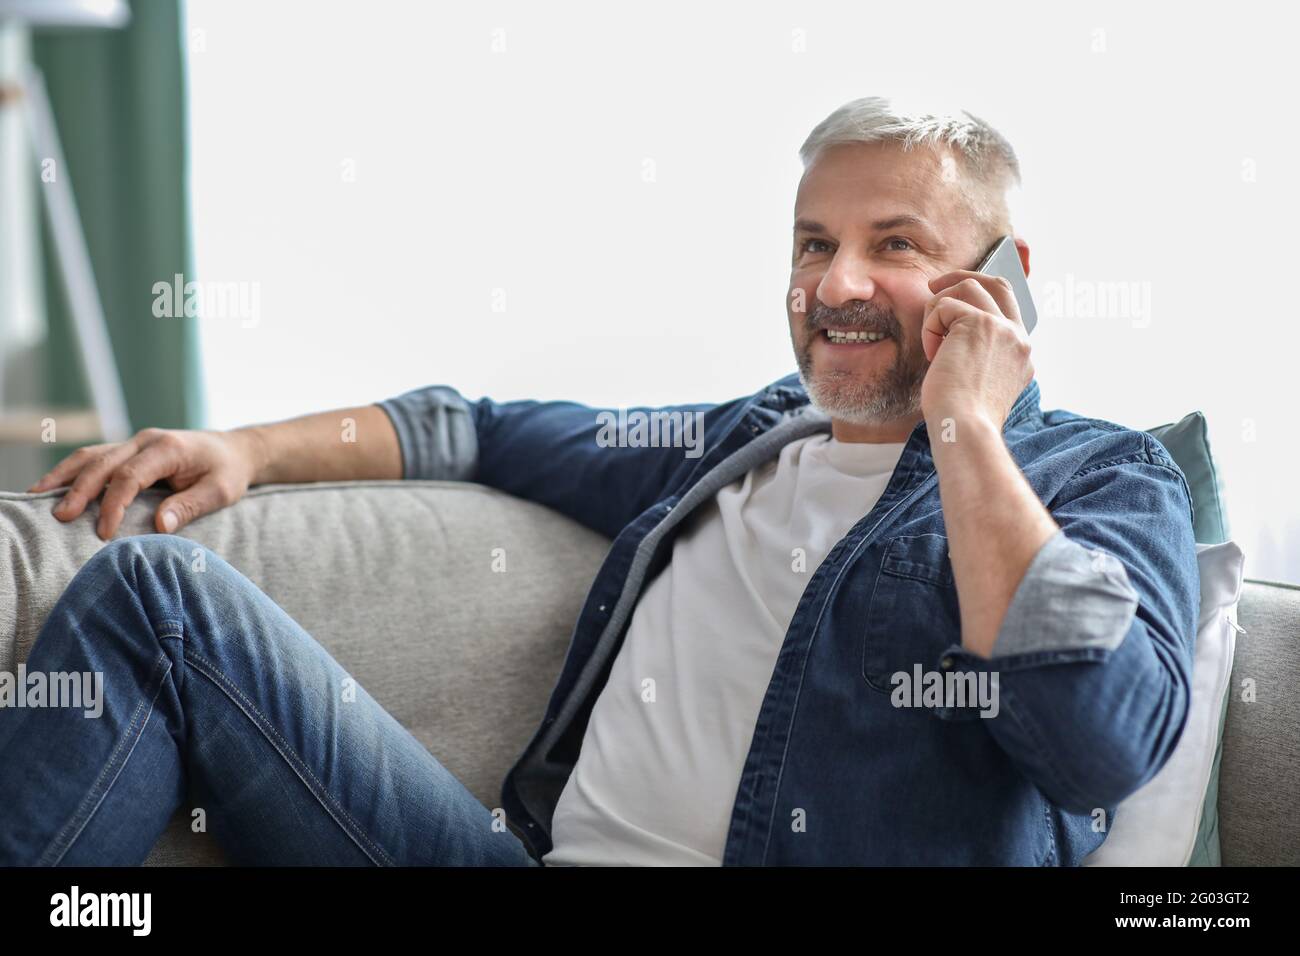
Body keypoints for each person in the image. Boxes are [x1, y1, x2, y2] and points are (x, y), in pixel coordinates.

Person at [0, 96, 1199, 866]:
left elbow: (1094, 740)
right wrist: (249, 449)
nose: (835, 283)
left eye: (893, 244)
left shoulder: (1098, 477)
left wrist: (965, 430)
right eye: (810, 243)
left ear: (1003, 273)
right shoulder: (739, 438)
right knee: (156, 592)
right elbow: (472, 429)